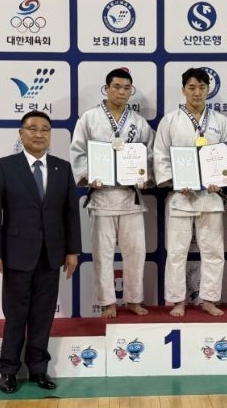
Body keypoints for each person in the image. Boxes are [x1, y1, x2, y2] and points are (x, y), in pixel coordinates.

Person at [0, 110, 81, 393]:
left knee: (43, 315)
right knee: (16, 315)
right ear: (21, 133)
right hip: (16, 255)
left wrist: (73, 251)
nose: (39, 134)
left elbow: (70, 214)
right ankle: (9, 370)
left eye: (45, 130)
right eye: (33, 128)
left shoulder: (62, 168)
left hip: (51, 255)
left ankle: (38, 368)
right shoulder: (4, 167)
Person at [154, 67, 227, 317]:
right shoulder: (170, 121)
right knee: (176, 252)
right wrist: (174, 181)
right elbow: (160, 155)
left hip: (211, 197)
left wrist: (222, 180)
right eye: (191, 87)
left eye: (202, 87)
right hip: (181, 197)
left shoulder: (220, 122)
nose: (197, 92)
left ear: (208, 90)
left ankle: (209, 299)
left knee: (213, 251)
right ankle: (177, 300)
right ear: (183, 90)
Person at [70, 68, 154, 318]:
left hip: (131, 198)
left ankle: (134, 299)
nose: (121, 92)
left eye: (126, 88)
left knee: (135, 253)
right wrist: (89, 176)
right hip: (102, 197)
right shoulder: (89, 118)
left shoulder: (139, 122)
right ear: (106, 89)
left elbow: (150, 154)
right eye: (116, 87)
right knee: (102, 254)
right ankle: (108, 302)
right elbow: (78, 152)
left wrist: (145, 177)